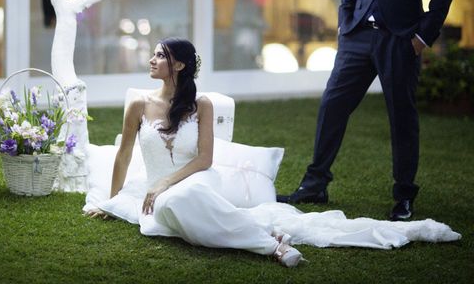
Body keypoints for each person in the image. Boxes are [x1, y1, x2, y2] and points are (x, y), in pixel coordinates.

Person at [84, 37, 460, 267]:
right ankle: (269, 241)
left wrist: (166, 181)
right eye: (153, 55)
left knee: (187, 198)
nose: (151, 60)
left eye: (160, 55)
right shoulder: (138, 104)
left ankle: (268, 246)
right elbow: (123, 155)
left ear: (178, 65)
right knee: (172, 208)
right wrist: (114, 199)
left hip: (197, 179)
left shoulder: (203, 104)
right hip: (159, 196)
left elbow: (205, 160)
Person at [277, 0, 455, 222]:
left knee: (401, 118)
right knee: (332, 107)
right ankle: (315, 185)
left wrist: (423, 36)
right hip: (357, 36)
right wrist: (345, 21)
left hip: (401, 39)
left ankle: (404, 197)